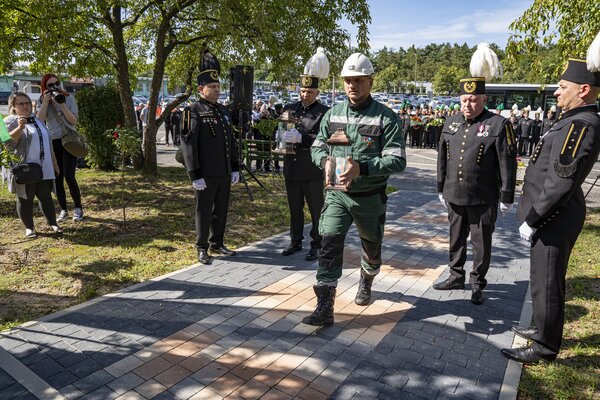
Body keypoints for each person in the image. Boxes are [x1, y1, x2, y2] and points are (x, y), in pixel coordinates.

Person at [501, 53, 600, 363]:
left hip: (553, 217)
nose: (556, 92)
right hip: (552, 215)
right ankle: (541, 329)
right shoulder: (572, 120)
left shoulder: (581, 124)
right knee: (541, 278)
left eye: (562, 86)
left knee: (548, 281)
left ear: (583, 89)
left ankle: (545, 347)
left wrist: (533, 218)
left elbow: (560, 181)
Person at [303, 52, 406, 326]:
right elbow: (318, 146)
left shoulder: (386, 117)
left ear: (370, 81)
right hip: (337, 196)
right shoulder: (333, 114)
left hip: (369, 198)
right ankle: (325, 307)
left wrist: (363, 166)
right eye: (348, 80)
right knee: (328, 242)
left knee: (371, 249)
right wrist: (323, 161)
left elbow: (397, 160)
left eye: (359, 80)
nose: (353, 86)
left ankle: (367, 279)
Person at [435, 43, 517, 305]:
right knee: (455, 238)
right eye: (463, 100)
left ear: (483, 99)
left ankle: (477, 283)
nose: (468, 104)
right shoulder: (451, 122)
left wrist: (507, 196)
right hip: (454, 194)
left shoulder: (498, 124)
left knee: (481, 243)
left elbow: (507, 162)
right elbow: (442, 157)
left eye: (473, 100)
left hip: (483, 197)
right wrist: (440, 187)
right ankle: (455, 275)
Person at [180, 49, 240, 265]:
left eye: (218, 87)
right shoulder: (192, 111)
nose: (216, 90)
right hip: (205, 174)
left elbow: (230, 142)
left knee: (221, 210)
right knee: (204, 211)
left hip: (223, 172)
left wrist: (234, 167)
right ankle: (202, 247)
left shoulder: (223, 111)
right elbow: (188, 145)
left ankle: (218, 242)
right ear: (200, 89)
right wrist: (194, 174)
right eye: (212, 87)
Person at [281, 47, 330, 261]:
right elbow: (281, 130)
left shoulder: (323, 112)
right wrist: (281, 135)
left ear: (317, 93)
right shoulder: (291, 108)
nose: (305, 95)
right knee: (294, 208)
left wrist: (304, 139)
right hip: (291, 166)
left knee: (316, 209)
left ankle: (317, 243)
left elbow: (326, 140)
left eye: (309, 92)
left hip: (311, 168)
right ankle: (295, 241)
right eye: (302, 91)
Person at [3, 92, 62, 238]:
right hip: (25, 168)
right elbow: (7, 144)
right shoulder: (8, 121)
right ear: (14, 106)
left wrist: (54, 162)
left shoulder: (37, 120)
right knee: (25, 198)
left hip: (44, 166)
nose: (25, 106)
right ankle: (29, 228)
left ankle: (53, 223)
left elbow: (48, 141)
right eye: (21, 103)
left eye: (27, 103)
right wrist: (20, 127)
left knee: (45, 196)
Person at [36, 73, 84, 222]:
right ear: (44, 87)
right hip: (53, 142)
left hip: (68, 140)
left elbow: (73, 121)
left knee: (69, 176)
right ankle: (63, 209)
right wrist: (45, 102)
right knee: (57, 177)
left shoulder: (69, 98)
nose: (54, 87)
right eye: (50, 85)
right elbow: (40, 121)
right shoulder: (41, 100)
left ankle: (78, 208)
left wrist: (62, 105)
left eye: (56, 83)